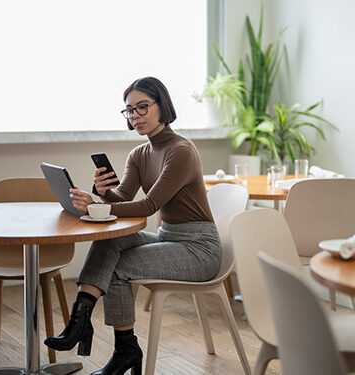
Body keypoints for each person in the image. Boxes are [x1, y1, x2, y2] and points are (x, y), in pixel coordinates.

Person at [44, 77, 222, 375]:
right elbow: (123, 198)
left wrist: (97, 206)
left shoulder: (181, 151)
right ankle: (84, 323)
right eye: (129, 110)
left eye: (142, 107)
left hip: (199, 248)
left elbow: (147, 206)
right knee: (111, 241)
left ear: (161, 106)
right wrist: (101, 192)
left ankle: (119, 347)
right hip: (169, 238)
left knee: (119, 265)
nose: (135, 115)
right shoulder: (138, 154)